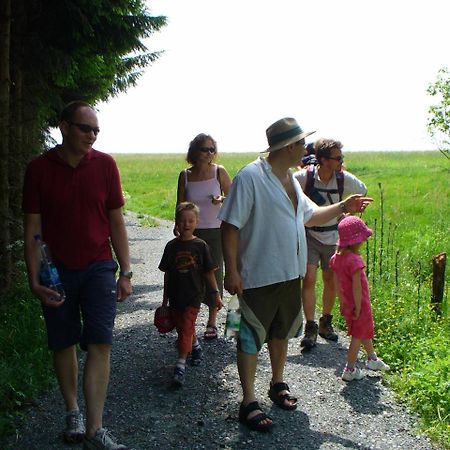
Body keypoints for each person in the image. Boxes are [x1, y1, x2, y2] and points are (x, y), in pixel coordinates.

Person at [218, 117, 373, 431]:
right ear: (287, 147)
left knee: (281, 332)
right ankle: (248, 401)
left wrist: (344, 206)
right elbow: (230, 225)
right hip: (258, 275)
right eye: (302, 143)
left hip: (290, 274)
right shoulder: (251, 176)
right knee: (249, 336)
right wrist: (231, 271)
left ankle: (277, 384)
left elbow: (311, 216)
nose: (306, 148)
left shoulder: (289, 180)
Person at [22, 101, 132, 450]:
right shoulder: (39, 169)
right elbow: (33, 227)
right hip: (56, 271)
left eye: (96, 130)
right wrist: (34, 276)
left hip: (99, 265)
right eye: (86, 128)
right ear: (64, 127)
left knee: (101, 341)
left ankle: (94, 429)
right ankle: (72, 411)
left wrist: (125, 270)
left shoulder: (105, 165)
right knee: (63, 340)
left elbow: (116, 220)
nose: (92, 135)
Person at [294, 139, 367, 350]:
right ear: (323, 160)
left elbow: (362, 190)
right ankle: (310, 326)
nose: (341, 161)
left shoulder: (343, 179)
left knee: (330, 279)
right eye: (337, 158)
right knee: (308, 279)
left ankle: (326, 321)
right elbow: (285, 188)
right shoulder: (304, 177)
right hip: (309, 235)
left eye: (341, 157)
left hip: (334, 237)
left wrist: (350, 211)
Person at [159, 202, 223, 386]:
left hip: (194, 295)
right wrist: (165, 300)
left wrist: (215, 294)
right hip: (175, 296)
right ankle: (196, 348)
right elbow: (168, 274)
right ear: (176, 223)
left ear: (197, 222)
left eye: (190, 220)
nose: (186, 224)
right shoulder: (171, 247)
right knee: (183, 327)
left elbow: (209, 272)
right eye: (182, 220)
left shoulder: (201, 246)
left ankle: (180, 366)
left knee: (186, 325)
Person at [175, 134, 231, 340]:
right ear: (194, 152)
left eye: (212, 149)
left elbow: (234, 197)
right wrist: (177, 225)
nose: (209, 153)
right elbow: (180, 204)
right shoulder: (185, 175)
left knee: (214, 273)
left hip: (216, 230)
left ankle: (212, 321)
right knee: (191, 275)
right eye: (204, 149)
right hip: (192, 234)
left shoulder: (219, 171)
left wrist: (221, 199)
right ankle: (190, 319)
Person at [329, 216, 390, 381]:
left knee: (362, 331)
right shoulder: (355, 260)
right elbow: (357, 287)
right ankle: (350, 369)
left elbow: (336, 282)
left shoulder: (336, 259)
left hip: (348, 303)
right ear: (356, 241)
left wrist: (343, 302)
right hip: (359, 303)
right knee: (357, 335)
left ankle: (372, 359)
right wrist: (358, 307)